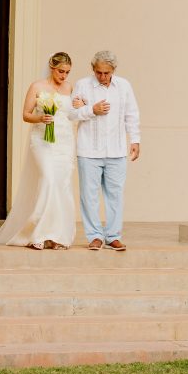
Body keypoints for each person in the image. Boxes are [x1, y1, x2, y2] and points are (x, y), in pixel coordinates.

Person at [0, 52, 77, 249]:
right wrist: (41, 118)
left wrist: (78, 107)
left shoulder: (69, 88)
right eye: (61, 71)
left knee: (61, 185)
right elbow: (26, 115)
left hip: (64, 141)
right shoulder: (37, 86)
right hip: (43, 140)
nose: (64, 76)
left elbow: (70, 114)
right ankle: (36, 233)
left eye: (67, 72)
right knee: (48, 179)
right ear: (52, 68)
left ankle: (56, 235)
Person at [72, 50, 140, 251]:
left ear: (113, 71)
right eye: (99, 72)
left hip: (116, 150)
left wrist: (135, 140)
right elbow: (71, 113)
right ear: (93, 69)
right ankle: (94, 236)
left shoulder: (124, 86)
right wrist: (91, 110)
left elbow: (132, 114)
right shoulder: (82, 85)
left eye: (107, 73)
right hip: (88, 150)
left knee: (115, 195)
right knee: (89, 195)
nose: (102, 77)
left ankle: (113, 235)